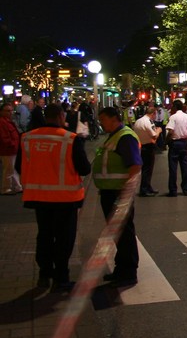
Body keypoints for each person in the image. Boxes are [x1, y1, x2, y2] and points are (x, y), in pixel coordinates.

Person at [17, 104, 91, 291]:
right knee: (64, 238)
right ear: (60, 116)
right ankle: (61, 276)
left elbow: (19, 166)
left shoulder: (27, 138)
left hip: (38, 197)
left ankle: (44, 273)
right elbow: (84, 168)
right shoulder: (70, 139)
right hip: (65, 198)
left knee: (45, 235)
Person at [93, 106, 142, 285]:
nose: (101, 123)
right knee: (118, 234)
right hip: (111, 191)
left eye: (103, 120)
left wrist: (126, 193)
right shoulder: (115, 136)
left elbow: (135, 165)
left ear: (114, 118)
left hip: (119, 192)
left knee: (124, 234)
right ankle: (121, 269)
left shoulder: (125, 137)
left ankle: (128, 273)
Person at [165, 99, 187, 196]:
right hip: (184, 143)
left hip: (175, 144)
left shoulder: (173, 117)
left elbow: (170, 132)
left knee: (173, 168)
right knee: (185, 167)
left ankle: (173, 190)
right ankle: (186, 189)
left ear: (174, 107)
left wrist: (166, 142)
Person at [132, 104, 161, 196]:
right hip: (148, 146)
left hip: (140, 146)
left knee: (145, 168)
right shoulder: (147, 122)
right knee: (147, 169)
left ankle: (148, 187)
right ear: (153, 113)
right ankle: (144, 189)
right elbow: (154, 135)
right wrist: (159, 130)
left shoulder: (138, 121)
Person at [0, 103, 22, 195]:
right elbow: (4, 138)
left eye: (11, 110)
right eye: (8, 111)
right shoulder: (2, 122)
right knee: (8, 170)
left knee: (11, 169)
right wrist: (12, 144)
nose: (10, 113)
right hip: (8, 150)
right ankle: (6, 188)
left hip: (11, 149)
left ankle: (18, 186)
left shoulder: (8, 121)